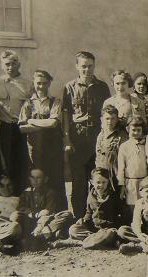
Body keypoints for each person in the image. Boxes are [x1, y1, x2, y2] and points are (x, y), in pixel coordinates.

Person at [62, 51, 111, 219]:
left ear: (94, 66)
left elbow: (107, 113)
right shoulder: (69, 87)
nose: (87, 70)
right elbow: (66, 116)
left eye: (90, 66)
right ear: (77, 67)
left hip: (97, 138)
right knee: (79, 180)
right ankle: (78, 218)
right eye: (83, 66)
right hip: (78, 138)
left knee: (98, 178)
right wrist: (67, 139)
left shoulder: (102, 87)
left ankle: (97, 217)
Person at [19, 70, 66, 211]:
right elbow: (21, 128)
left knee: (56, 182)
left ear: (49, 83)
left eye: (44, 83)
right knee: (37, 183)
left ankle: (60, 216)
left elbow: (54, 124)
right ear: (34, 83)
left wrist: (32, 121)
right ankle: (37, 216)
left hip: (53, 149)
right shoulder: (28, 103)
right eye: (38, 83)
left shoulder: (56, 101)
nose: (41, 86)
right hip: (35, 150)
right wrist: (45, 124)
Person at [0, 50, 32, 194]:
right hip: (5, 127)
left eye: (14, 63)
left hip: (22, 128)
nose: (10, 67)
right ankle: (8, 198)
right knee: (6, 164)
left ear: (19, 64)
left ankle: (23, 198)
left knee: (23, 163)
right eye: (7, 64)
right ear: (2, 65)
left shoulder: (27, 84)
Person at [67, 168, 130, 250]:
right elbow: (89, 213)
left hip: (108, 228)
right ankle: (99, 241)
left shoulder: (113, 196)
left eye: (104, 182)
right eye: (98, 182)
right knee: (73, 229)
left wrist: (116, 225)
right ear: (92, 182)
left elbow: (123, 214)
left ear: (108, 182)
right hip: (95, 228)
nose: (101, 185)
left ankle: (84, 243)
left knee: (110, 233)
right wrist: (84, 220)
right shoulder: (91, 196)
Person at [13, 169, 75, 247]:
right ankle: (43, 236)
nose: (35, 181)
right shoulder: (26, 193)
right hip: (30, 221)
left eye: (38, 178)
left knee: (66, 215)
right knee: (15, 215)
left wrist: (33, 214)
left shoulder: (50, 193)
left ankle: (39, 236)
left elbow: (47, 212)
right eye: (33, 178)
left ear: (45, 179)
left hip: (45, 223)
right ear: (29, 179)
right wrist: (34, 214)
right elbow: (21, 209)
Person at [116, 178, 148, 254]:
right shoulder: (139, 203)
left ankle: (139, 246)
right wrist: (140, 235)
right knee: (122, 230)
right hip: (144, 232)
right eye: (147, 191)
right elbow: (136, 223)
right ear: (141, 193)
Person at [116, 117, 148, 214]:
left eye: (139, 130)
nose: (136, 133)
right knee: (132, 206)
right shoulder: (124, 146)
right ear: (127, 129)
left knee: (145, 204)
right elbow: (121, 167)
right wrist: (122, 185)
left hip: (144, 180)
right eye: (133, 130)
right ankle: (132, 226)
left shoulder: (145, 144)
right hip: (130, 182)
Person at [94, 105, 128, 190]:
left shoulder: (121, 136)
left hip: (117, 176)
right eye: (107, 118)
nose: (110, 121)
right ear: (101, 119)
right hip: (103, 176)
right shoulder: (100, 136)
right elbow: (98, 156)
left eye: (113, 118)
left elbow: (126, 159)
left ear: (117, 119)